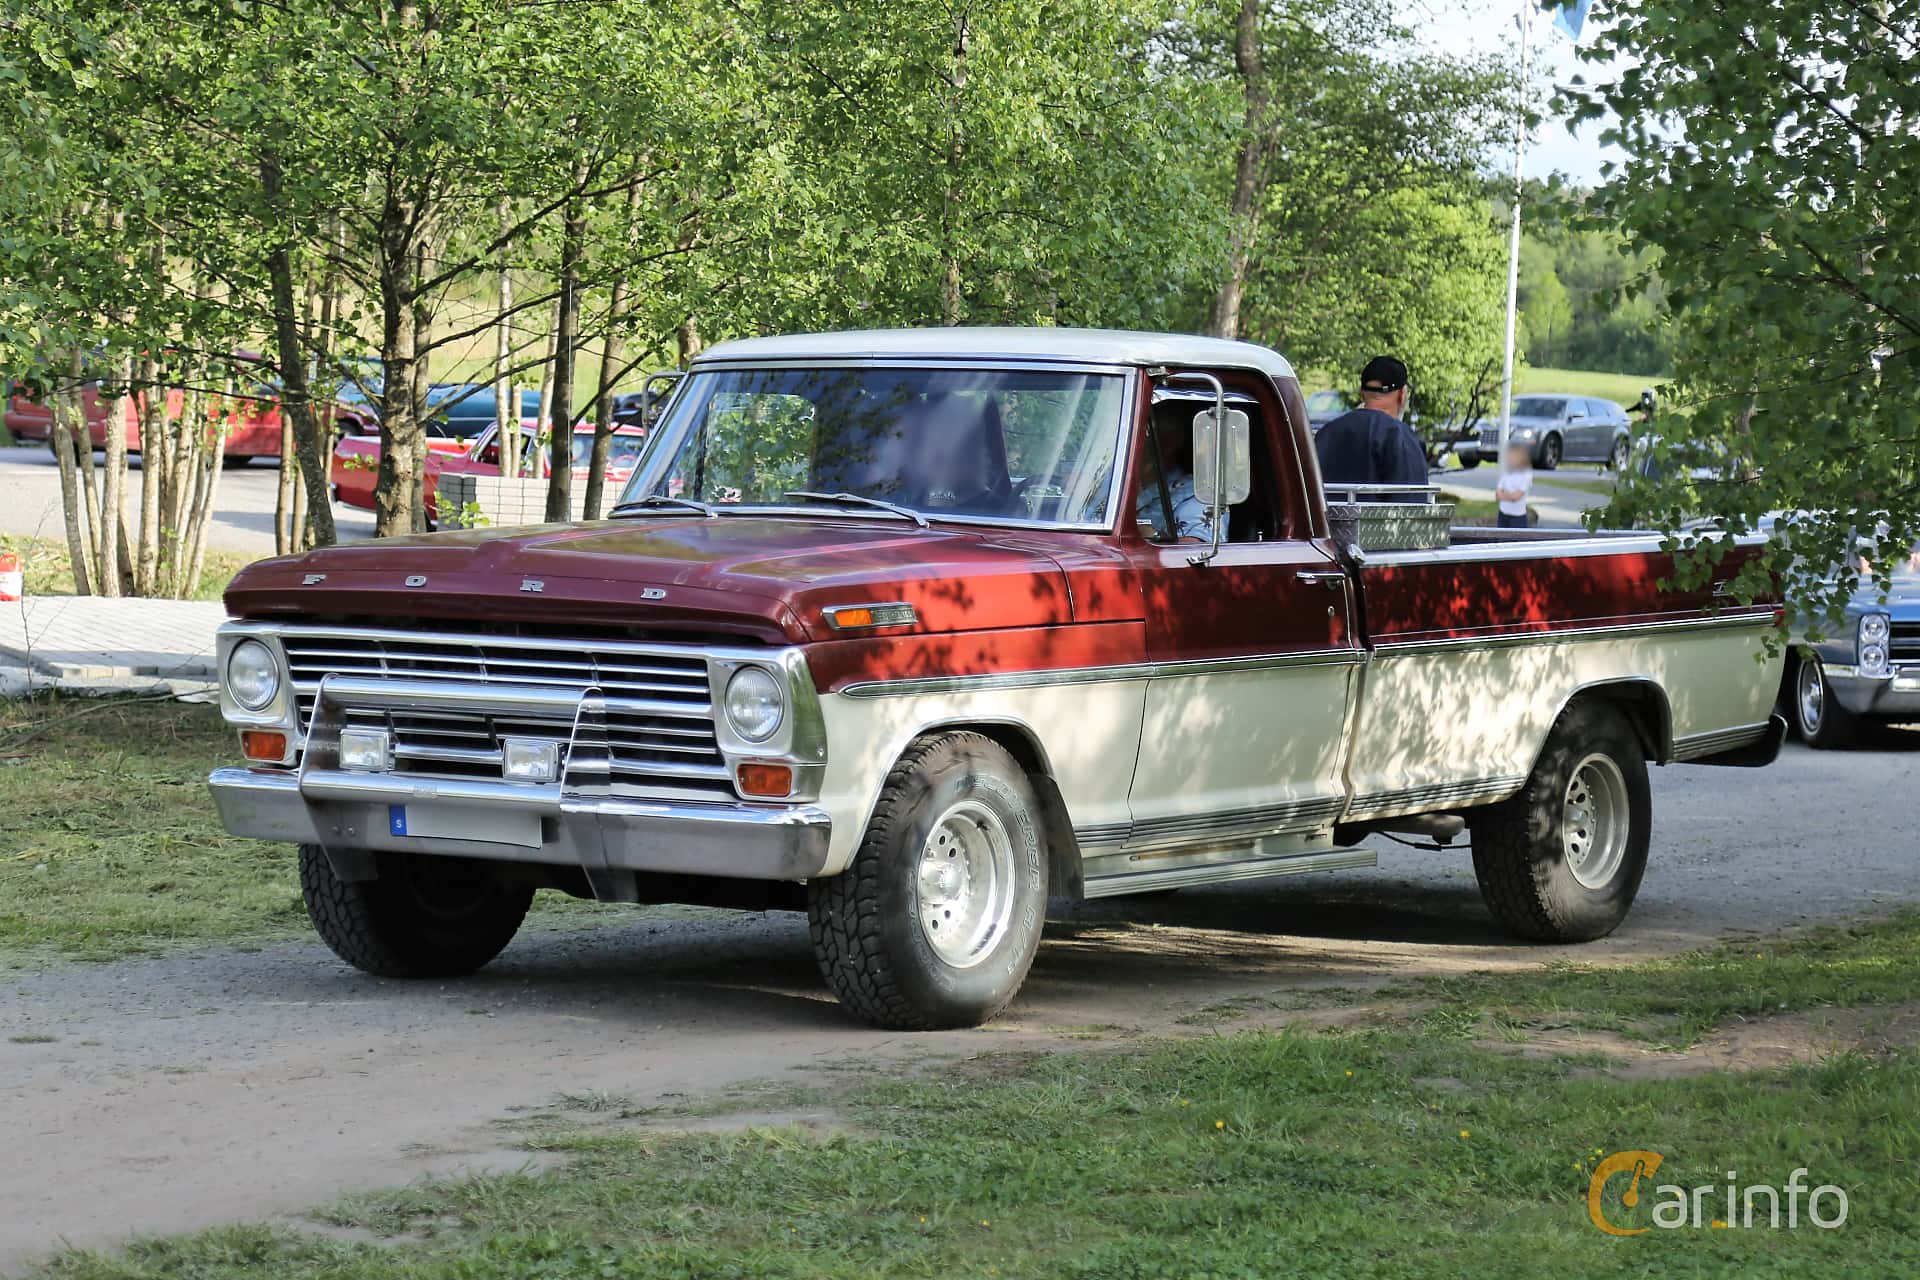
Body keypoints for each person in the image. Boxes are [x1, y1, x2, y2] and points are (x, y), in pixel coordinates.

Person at [1313, 355, 1428, 487]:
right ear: (1402, 395)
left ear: (1362, 393)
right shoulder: (1401, 438)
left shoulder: (1326, 433)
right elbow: (1414, 503)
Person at [1134, 404, 1217, 541]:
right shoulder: (1109, 479)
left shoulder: (1200, 494)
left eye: (1145, 430)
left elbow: (1192, 554)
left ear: (1172, 441)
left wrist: (1152, 536)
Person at [1494, 441, 1533, 530]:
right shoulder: (1507, 472)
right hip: (1503, 515)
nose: (1511, 458)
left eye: (1514, 456)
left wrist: (1506, 494)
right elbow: (1497, 495)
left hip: (1517, 518)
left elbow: (1516, 497)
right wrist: (1508, 495)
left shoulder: (1527, 474)